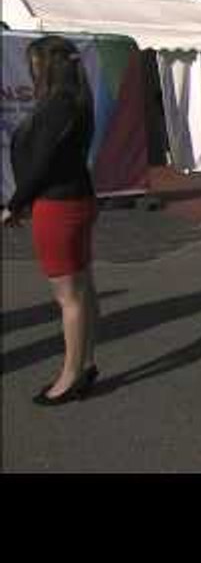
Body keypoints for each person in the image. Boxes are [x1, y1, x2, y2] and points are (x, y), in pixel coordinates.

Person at [2, 35, 102, 405]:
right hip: (75, 200)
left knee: (69, 297)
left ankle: (71, 375)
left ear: (46, 65)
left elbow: (43, 163)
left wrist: (15, 204)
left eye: (34, 63)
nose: (31, 70)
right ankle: (84, 364)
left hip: (59, 207)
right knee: (83, 288)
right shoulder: (75, 100)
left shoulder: (59, 104)